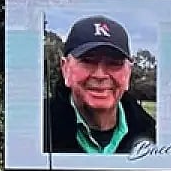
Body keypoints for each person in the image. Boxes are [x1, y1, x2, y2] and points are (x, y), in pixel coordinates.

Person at [44, 15, 157, 154]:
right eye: (88, 61)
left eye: (114, 63)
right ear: (65, 68)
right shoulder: (34, 130)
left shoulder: (155, 136)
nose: (100, 75)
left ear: (128, 72)